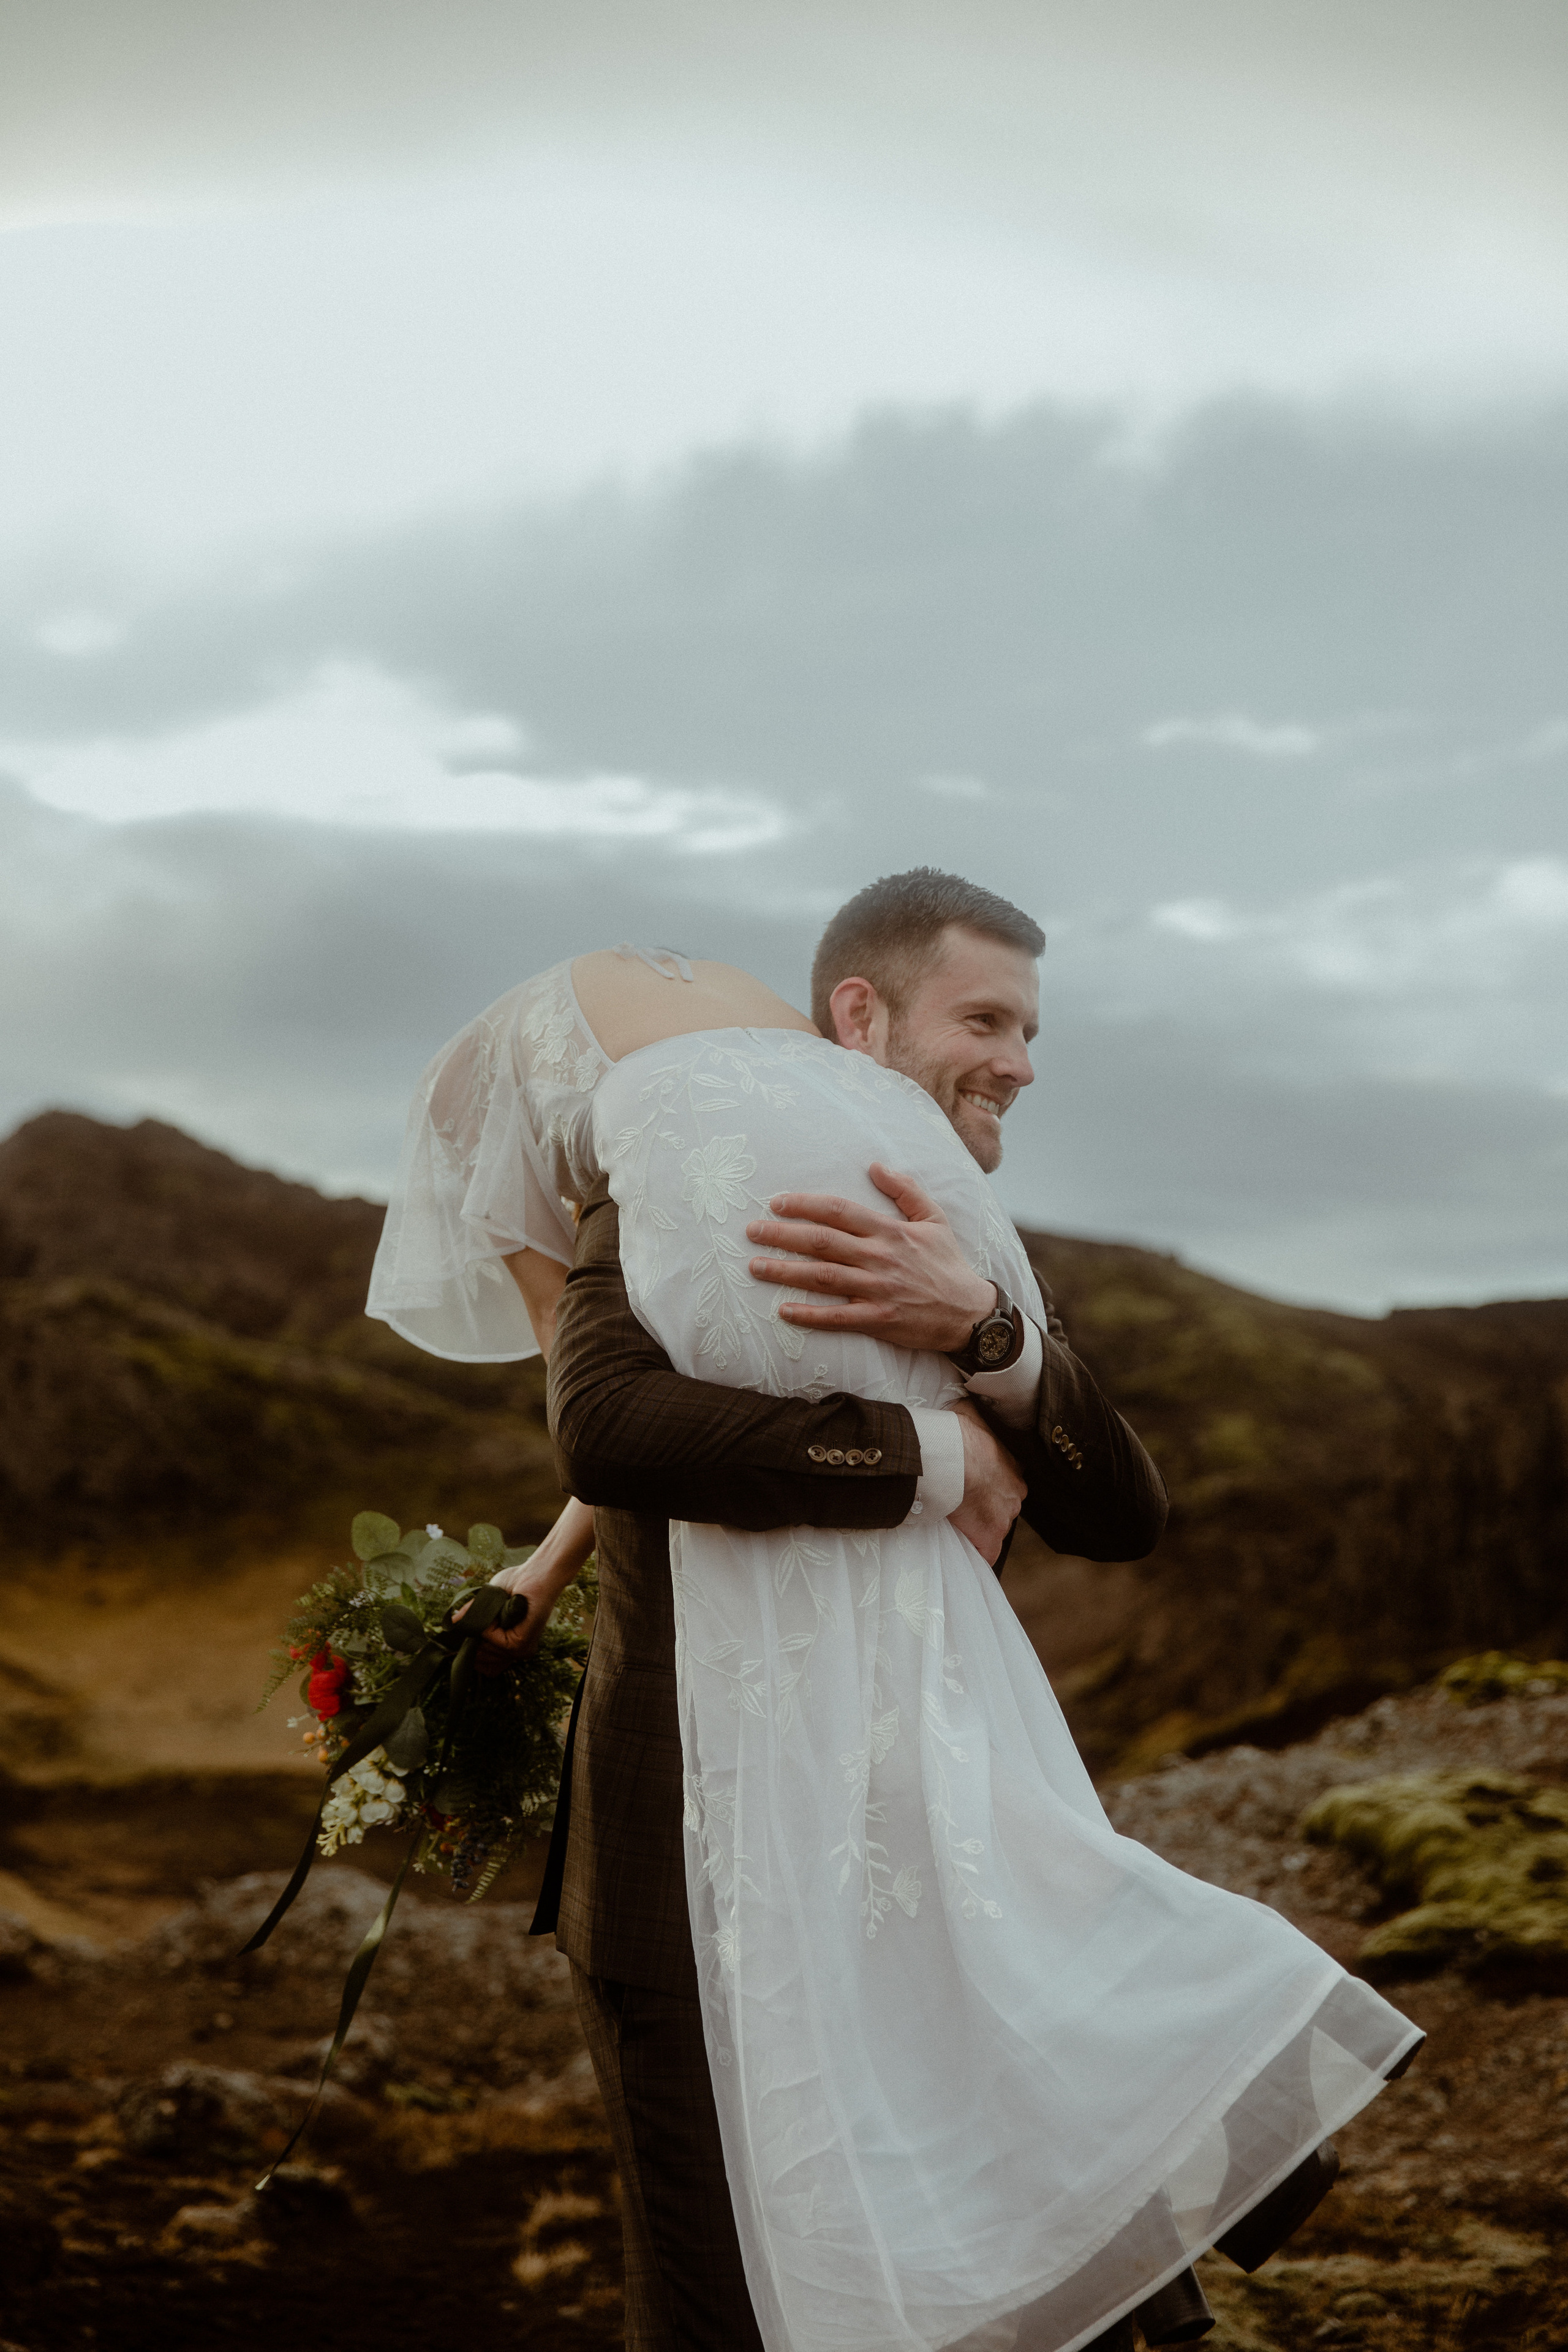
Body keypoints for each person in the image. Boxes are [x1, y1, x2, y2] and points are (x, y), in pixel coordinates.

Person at [368, 872, 1420, 2352]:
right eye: (983, 1020)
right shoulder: (666, 1188)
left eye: (1030, 1028)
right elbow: (613, 1426)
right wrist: (934, 1458)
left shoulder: (956, 1237)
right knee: (724, 2256)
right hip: (694, 1832)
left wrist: (979, 1334)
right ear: (856, 1019)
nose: (1020, 1062)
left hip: (935, 1805)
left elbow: (1121, 1512)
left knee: (1018, 2171)